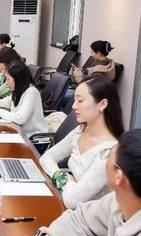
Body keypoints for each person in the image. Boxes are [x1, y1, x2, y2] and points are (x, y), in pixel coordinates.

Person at [40, 76, 124, 209]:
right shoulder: (81, 130)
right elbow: (46, 158)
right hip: (66, 205)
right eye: (74, 100)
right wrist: (61, 176)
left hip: (88, 217)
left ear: (102, 104)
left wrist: (67, 180)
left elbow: (72, 200)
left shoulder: (108, 152)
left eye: (80, 100)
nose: (74, 106)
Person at [0, 60, 48, 136]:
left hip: (32, 136)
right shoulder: (19, 89)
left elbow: (19, 118)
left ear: (17, 79)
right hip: (19, 131)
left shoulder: (31, 92)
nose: (6, 83)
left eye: (8, 79)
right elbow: (9, 102)